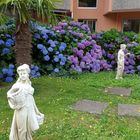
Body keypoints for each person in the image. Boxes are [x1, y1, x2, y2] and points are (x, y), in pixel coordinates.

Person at [7, 64, 44, 140]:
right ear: (19, 75)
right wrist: (13, 103)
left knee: (28, 129)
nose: (22, 75)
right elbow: (9, 94)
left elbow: (31, 99)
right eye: (21, 74)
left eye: (24, 73)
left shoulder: (29, 84)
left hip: (29, 109)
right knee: (22, 129)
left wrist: (37, 110)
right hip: (21, 109)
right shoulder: (17, 85)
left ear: (27, 74)